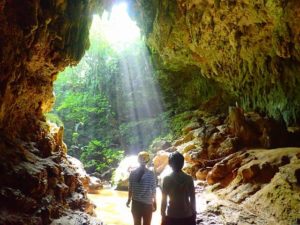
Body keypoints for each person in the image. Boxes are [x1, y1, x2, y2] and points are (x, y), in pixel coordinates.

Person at [161, 151, 196, 225]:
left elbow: (164, 200)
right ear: (182, 164)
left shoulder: (167, 179)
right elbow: (193, 198)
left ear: (170, 164)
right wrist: (194, 212)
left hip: (172, 215)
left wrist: (163, 214)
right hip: (187, 215)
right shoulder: (188, 178)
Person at [126, 151, 157, 225]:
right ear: (148, 161)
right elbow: (153, 190)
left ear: (138, 161)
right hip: (147, 205)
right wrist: (155, 202)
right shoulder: (151, 174)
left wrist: (128, 200)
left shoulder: (132, 173)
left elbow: (130, 188)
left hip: (136, 204)